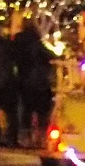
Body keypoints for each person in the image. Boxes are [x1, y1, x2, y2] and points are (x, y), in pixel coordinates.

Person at [12, 16, 55, 145]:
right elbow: (50, 57)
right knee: (42, 110)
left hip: (24, 81)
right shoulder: (37, 43)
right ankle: (41, 137)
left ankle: (26, 136)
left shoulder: (17, 43)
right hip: (40, 82)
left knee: (26, 110)